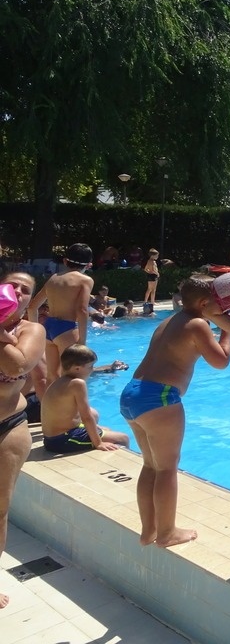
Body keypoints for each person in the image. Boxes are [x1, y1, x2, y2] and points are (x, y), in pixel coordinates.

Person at [120, 276, 230, 546]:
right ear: (204, 303)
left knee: (151, 465)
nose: (222, 310)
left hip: (132, 394)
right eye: (219, 305)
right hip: (159, 398)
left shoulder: (170, 321)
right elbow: (221, 361)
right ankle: (166, 533)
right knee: (166, 469)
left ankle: (149, 530)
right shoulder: (198, 325)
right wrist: (226, 332)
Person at [0, 271, 46, 609]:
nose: (17, 291)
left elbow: (17, 366)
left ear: (30, 299)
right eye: (11, 285)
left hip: (9, 427)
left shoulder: (32, 331)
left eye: (25, 289)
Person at [40, 344, 130, 453]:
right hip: (63, 440)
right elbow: (86, 417)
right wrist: (99, 443)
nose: (92, 370)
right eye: (90, 366)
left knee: (104, 426)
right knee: (123, 438)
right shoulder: (77, 384)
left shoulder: (60, 381)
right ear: (77, 368)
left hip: (53, 438)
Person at [28, 242, 94, 383]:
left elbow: (32, 308)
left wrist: (36, 332)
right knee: (72, 377)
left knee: (52, 375)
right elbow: (82, 310)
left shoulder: (54, 278)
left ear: (65, 261)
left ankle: (47, 399)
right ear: (89, 264)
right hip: (67, 329)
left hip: (49, 328)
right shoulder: (85, 280)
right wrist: (82, 341)